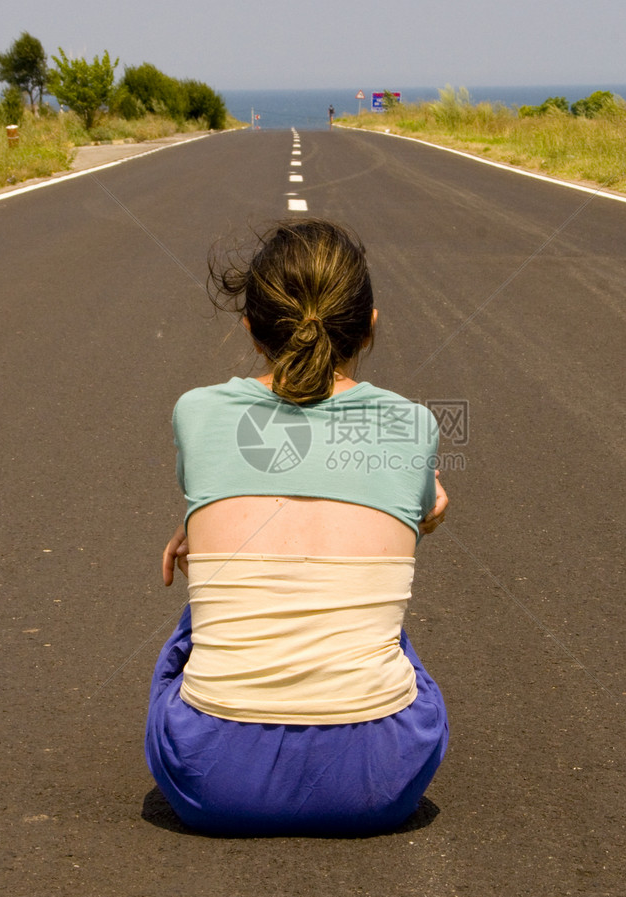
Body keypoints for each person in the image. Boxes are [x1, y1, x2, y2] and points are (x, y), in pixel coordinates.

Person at [145, 218, 449, 835]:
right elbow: (423, 511)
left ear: (252, 329)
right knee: (375, 617)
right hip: (378, 782)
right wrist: (430, 501)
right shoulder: (412, 425)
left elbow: (223, 489)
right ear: (367, 326)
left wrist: (194, 534)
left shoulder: (197, 410)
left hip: (209, 781)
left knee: (207, 601)